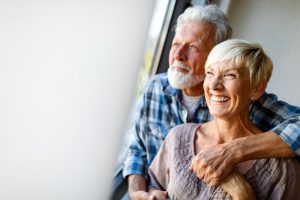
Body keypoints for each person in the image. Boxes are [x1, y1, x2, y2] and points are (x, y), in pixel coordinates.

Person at [122, 5, 300, 199]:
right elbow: (137, 148)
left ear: (218, 53)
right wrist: (138, 192)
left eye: (193, 47)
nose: (178, 55)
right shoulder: (155, 88)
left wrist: (233, 152)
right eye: (176, 44)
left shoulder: (252, 103)